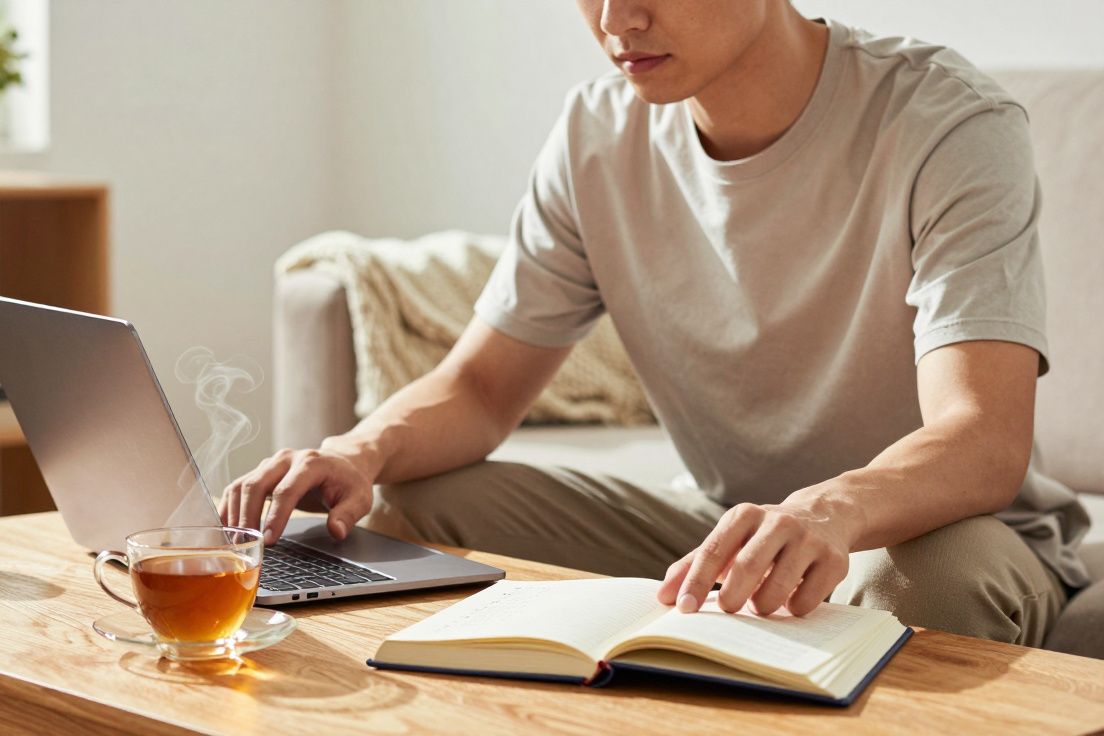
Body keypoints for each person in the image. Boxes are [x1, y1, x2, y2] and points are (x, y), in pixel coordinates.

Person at [221, 0, 1091, 646]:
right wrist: (358, 451)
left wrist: (830, 511)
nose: (617, 19)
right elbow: (482, 390)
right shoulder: (596, 133)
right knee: (409, 502)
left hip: (939, 534)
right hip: (713, 523)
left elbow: (981, 436)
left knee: (916, 586)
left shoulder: (947, 124)